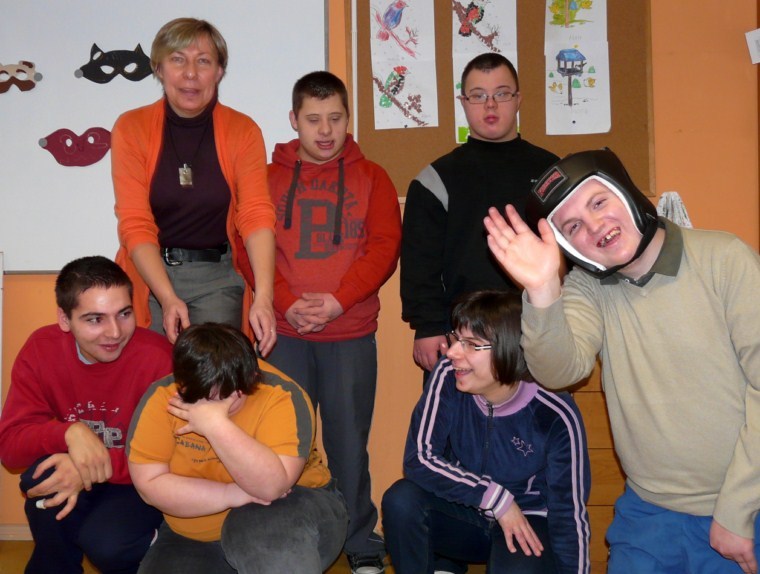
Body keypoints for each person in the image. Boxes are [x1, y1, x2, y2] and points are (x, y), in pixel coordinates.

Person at [484, 148, 760, 574]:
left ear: (628, 193)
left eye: (599, 202)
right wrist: (542, 290)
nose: (594, 226)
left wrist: (737, 509)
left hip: (744, 503)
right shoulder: (588, 287)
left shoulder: (724, 259)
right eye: (572, 226)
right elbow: (560, 371)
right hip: (648, 510)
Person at [264, 71, 401, 574]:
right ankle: (287, 542)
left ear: (348, 119)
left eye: (336, 118)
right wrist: (284, 302)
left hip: (350, 334)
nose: (325, 131)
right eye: (313, 119)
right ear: (294, 120)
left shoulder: (374, 177)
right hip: (282, 334)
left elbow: (384, 248)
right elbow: (246, 247)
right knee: (283, 445)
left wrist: (340, 302)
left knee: (347, 445)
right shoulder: (264, 178)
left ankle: (360, 539)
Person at [382, 290, 590, 574]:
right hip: (466, 508)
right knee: (401, 500)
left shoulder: (554, 412)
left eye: (471, 344)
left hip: (527, 519)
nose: (452, 352)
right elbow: (419, 459)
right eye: (456, 338)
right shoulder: (447, 374)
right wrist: (496, 499)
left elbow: (569, 512)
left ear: (510, 349)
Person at [127, 323, 348, 574]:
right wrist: (228, 494)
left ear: (250, 378)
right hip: (196, 529)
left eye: (222, 397)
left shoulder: (281, 395)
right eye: (197, 396)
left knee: (257, 532)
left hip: (287, 508)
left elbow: (271, 488)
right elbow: (150, 485)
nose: (206, 406)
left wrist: (216, 426)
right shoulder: (162, 396)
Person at [111, 17, 276, 352]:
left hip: (216, 278)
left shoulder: (243, 131)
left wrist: (264, 297)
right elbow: (135, 224)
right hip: (148, 275)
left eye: (203, 61)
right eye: (177, 60)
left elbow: (256, 216)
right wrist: (167, 297)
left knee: (213, 374)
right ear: (159, 69)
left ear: (219, 71)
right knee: (151, 377)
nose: (190, 74)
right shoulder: (131, 128)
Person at [0, 256, 173, 574]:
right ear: (64, 320)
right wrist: (69, 431)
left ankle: (163, 547)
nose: (115, 332)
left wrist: (91, 468)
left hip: (138, 482)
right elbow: (10, 448)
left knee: (109, 545)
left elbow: (177, 456)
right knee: (40, 480)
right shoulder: (41, 348)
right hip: (90, 470)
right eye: (95, 319)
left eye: (124, 314)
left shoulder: (159, 359)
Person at [400, 52, 558, 376]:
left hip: (536, 326)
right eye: (478, 95)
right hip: (460, 335)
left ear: (518, 100)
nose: (490, 105)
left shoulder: (552, 171)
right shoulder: (435, 180)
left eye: (502, 93)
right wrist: (427, 326)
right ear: (463, 102)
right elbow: (420, 264)